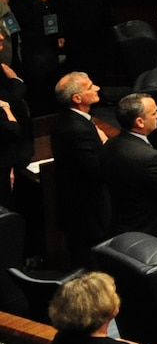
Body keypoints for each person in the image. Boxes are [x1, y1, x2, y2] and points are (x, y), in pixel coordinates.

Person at [101, 92, 157, 241]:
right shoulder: (150, 158)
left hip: (122, 228)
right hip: (150, 234)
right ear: (140, 122)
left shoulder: (110, 145)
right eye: (154, 113)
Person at [49, 69, 109, 259]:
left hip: (76, 208)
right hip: (88, 213)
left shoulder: (65, 120)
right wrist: (107, 145)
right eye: (91, 87)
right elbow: (97, 171)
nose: (97, 88)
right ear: (77, 98)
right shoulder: (78, 129)